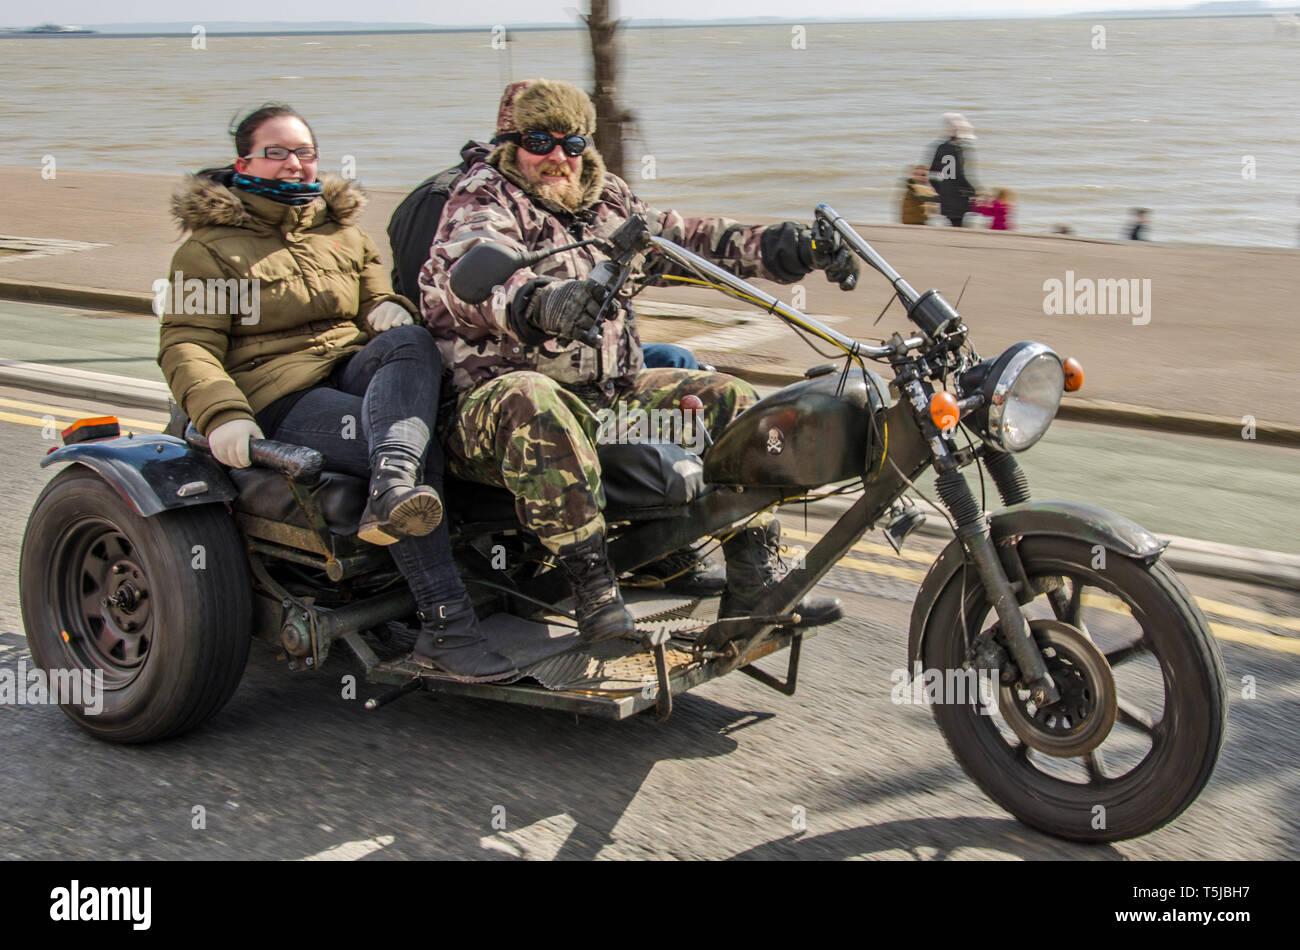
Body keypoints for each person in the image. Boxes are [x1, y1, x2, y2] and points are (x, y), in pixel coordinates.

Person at [419, 78, 853, 644]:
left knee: (733, 400)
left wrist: (787, 247)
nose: (558, 158)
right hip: (490, 418)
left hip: (608, 405)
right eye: (540, 140)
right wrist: (537, 301)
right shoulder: (482, 198)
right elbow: (468, 274)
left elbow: (688, 240)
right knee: (534, 398)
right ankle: (592, 589)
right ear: (511, 143)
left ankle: (755, 581)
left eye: (572, 144)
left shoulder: (608, 201)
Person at [158, 103, 517, 683]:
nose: (294, 164)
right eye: (276, 153)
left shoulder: (339, 229)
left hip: (352, 369)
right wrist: (222, 415)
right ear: (243, 161)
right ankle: (446, 626)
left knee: (413, 344)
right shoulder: (208, 250)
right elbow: (186, 345)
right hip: (281, 392)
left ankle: (393, 487)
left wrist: (385, 310)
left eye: (304, 152)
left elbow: (381, 295)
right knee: (417, 444)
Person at [929, 112, 979, 228]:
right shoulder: (957, 149)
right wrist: (973, 190)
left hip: (946, 194)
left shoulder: (941, 147)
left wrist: (940, 189)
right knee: (959, 225)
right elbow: (959, 174)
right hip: (958, 196)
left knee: (953, 223)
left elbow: (932, 174)